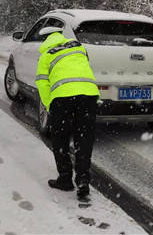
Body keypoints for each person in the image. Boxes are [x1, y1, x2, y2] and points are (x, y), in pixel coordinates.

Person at [35, 28, 100, 199]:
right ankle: (83, 180)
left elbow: (42, 83)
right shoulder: (78, 47)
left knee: (60, 137)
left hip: (62, 97)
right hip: (88, 94)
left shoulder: (46, 55)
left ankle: (65, 179)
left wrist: (50, 106)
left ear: (46, 42)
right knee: (84, 137)